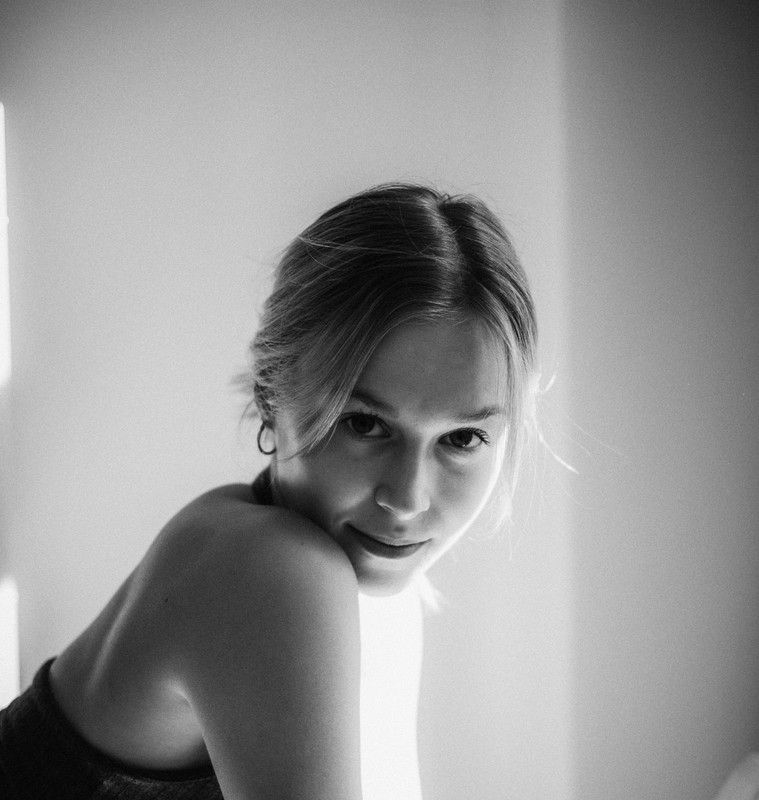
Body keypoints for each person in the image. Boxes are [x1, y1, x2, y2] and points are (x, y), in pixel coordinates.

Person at [0, 183, 538, 799]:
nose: (408, 499)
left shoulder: (386, 592)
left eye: (463, 439)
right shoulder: (272, 568)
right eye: (363, 424)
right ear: (269, 396)